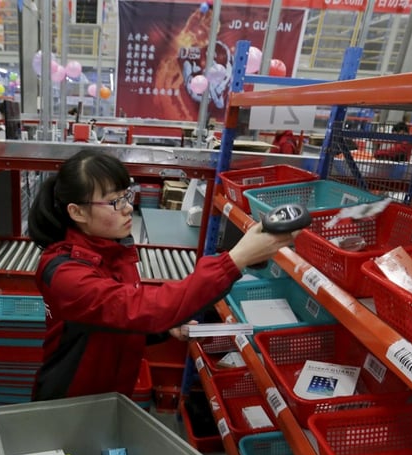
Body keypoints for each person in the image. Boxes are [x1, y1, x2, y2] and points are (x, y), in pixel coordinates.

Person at [27, 149, 296, 401]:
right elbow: (137, 308)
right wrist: (236, 260)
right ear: (77, 212)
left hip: (109, 394)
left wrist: (167, 328)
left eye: (127, 195)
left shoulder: (114, 251)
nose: (128, 208)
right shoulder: (65, 273)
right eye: (115, 201)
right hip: (68, 399)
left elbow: (117, 321)